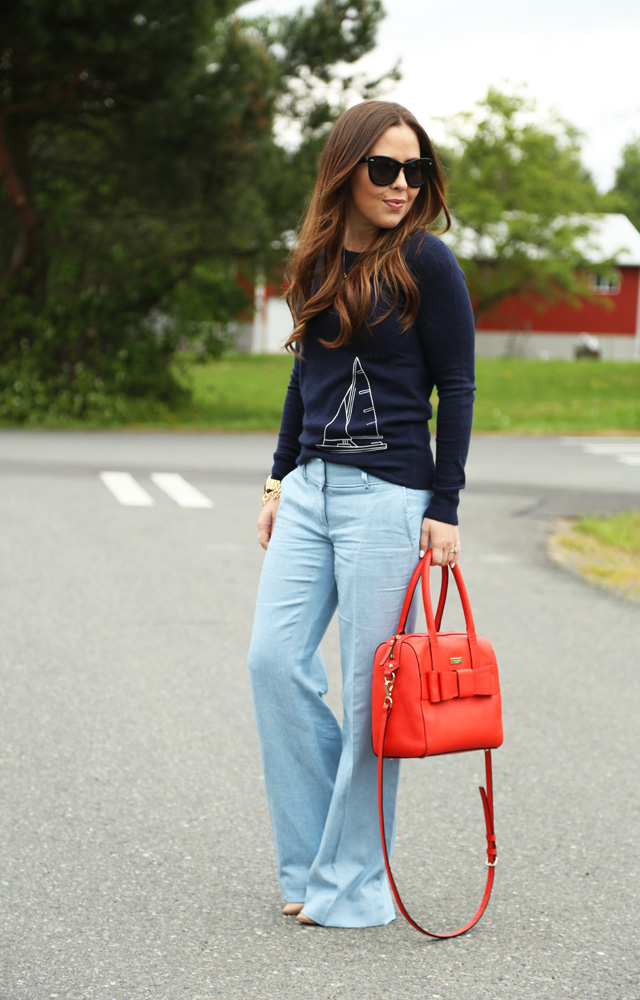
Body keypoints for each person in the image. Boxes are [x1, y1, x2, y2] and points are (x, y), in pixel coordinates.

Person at [248, 100, 475, 928]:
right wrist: (277, 482)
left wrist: (443, 506)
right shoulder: (313, 261)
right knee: (272, 661)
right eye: (384, 168)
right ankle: (312, 861)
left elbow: (459, 386)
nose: (401, 184)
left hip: (390, 499)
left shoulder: (426, 261)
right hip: (311, 489)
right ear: (347, 170)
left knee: (372, 691)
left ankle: (355, 886)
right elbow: (301, 380)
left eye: (415, 170)